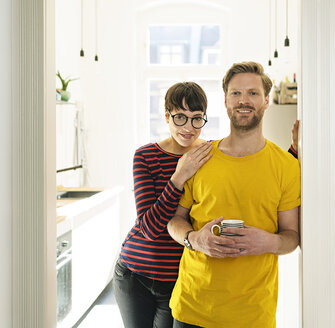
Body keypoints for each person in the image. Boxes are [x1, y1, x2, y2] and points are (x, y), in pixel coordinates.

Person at [167, 61, 301, 328]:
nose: (244, 101)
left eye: (253, 93)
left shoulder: (286, 165)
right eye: (236, 93)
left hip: (252, 315)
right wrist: (195, 240)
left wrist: (267, 242)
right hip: (191, 308)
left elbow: (291, 237)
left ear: (266, 102)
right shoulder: (200, 158)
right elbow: (174, 222)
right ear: (226, 101)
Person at [113, 82, 213, 328]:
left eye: (196, 118)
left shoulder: (210, 156)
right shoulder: (146, 156)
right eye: (180, 117)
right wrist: (179, 176)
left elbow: (252, 168)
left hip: (180, 279)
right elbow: (148, 227)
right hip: (135, 275)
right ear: (167, 116)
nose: (189, 128)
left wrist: (295, 151)